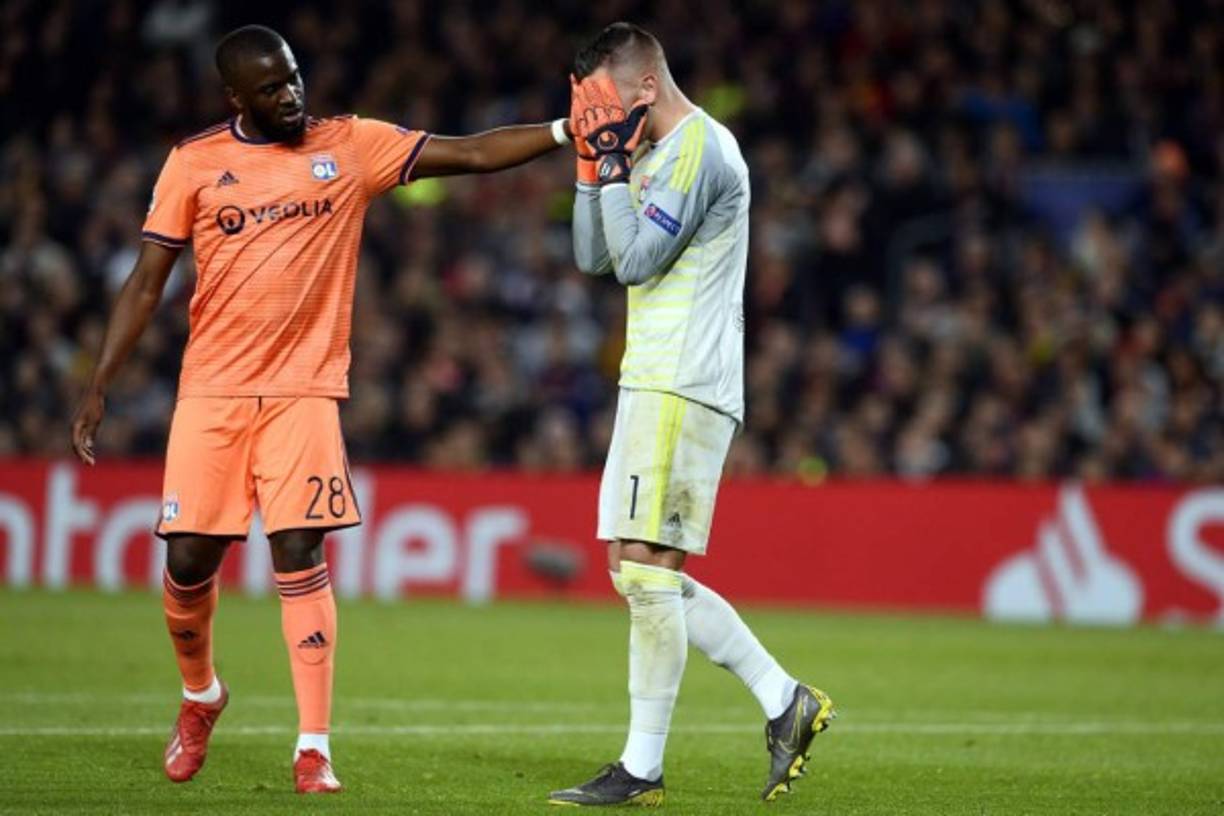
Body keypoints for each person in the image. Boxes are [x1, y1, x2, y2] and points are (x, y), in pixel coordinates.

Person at [68, 24, 574, 795]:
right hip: (213, 391)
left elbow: (469, 152)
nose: (291, 94)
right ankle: (201, 694)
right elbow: (147, 281)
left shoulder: (353, 145)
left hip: (305, 391)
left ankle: (314, 748)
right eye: (271, 88)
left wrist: (568, 129)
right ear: (237, 97)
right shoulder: (194, 163)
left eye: (295, 77)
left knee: (299, 553)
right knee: (187, 563)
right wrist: (101, 378)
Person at [548, 23, 835, 806]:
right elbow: (593, 257)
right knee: (635, 572)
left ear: (643, 87)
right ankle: (785, 701)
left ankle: (642, 769)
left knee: (645, 573)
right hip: (651, 378)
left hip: (684, 380)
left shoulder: (703, 149)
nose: (599, 116)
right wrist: (590, 166)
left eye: (603, 100)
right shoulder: (641, 152)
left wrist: (612, 165)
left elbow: (637, 259)